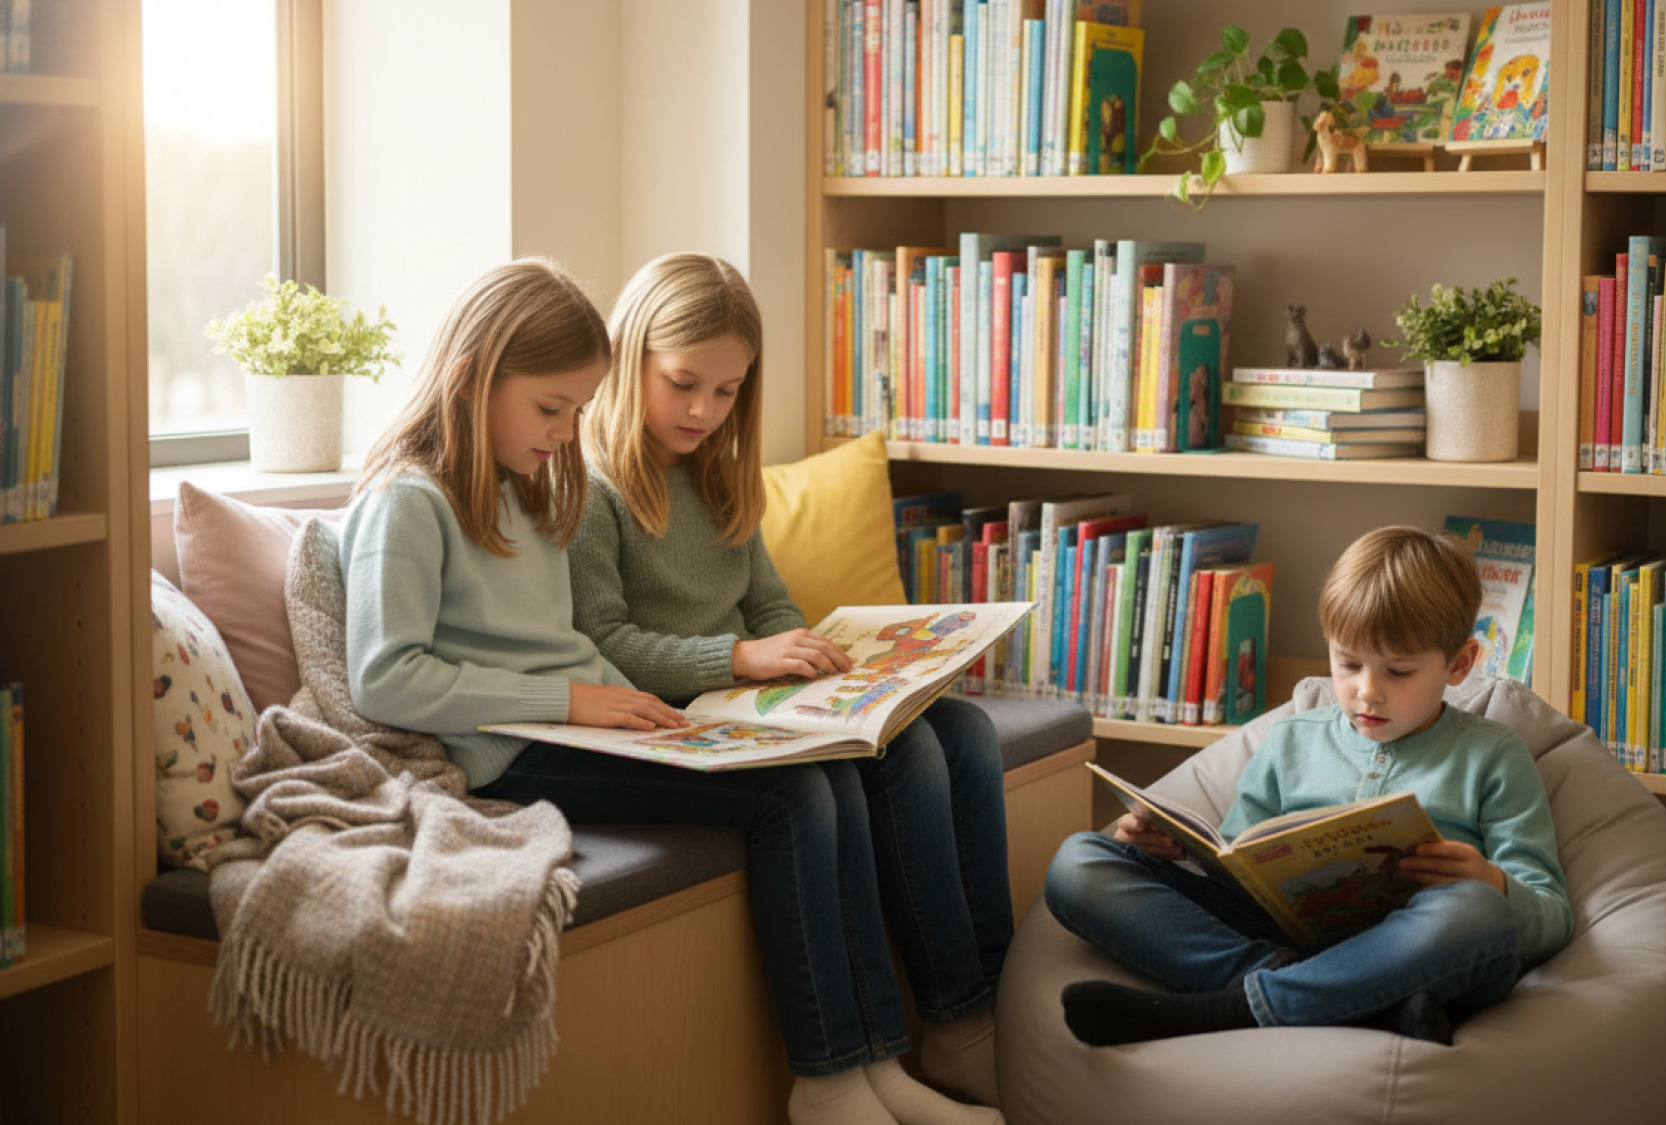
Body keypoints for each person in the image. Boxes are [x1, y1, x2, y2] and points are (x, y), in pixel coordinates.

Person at [557, 252, 1012, 1125]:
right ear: (629, 360)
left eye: (727, 392)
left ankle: (974, 1006)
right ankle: (918, 1036)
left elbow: (768, 601)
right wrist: (738, 658)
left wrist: (839, 660)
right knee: (905, 753)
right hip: (685, 703)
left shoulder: (720, 471)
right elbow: (603, 641)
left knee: (964, 733)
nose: (703, 410)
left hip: (749, 693)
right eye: (684, 383)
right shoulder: (594, 484)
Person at [1042, 525, 1571, 1048]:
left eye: (1399, 672)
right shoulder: (1291, 740)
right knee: (1078, 862)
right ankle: (1346, 1001)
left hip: (1420, 950)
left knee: (1475, 915)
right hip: (1282, 938)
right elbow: (1238, 866)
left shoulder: (1495, 755)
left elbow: (1552, 917)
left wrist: (1491, 882)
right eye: (1348, 663)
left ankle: (1226, 1006)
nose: (1368, 692)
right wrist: (1172, 852)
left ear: (1459, 664)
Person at [338, 256, 686, 803]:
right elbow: (386, 680)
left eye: (579, 410)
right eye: (551, 407)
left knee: (824, 772)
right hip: (509, 751)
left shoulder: (529, 488)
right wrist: (567, 701)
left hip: (579, 730)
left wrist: (663, 719)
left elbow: (559, 649)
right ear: (471, 379)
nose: (569, 434)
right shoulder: (406, 501)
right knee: (791, 795)